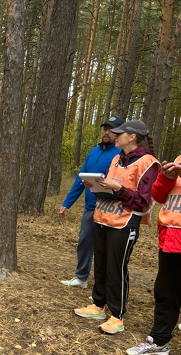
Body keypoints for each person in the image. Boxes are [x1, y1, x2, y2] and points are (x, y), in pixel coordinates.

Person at [74, 120, 160, 334]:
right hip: (103, 217)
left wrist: (119, 189)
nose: (114, 135)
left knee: (116, 268)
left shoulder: (148, 163)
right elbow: (111, 186)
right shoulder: (116, 158)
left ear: (132, 137)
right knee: (101, 264)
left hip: (124, 222)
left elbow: (143, 200)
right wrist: (96, 185)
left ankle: (117, 316)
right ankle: (98, 305)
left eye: (119, 133)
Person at [60, 117, 124, 289]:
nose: (106, 132)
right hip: (90, 207)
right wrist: (67, 202)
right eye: (105, 129)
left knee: (106, 248)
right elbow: (80, 179)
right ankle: (81, 278)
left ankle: (104, 287)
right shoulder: (94, 152)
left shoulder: (120, 155)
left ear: (119, 133)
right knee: (85, 242)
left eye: (111, 130)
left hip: (109, 208)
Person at [126, 157, 181, 355]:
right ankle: (159, 342)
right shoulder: (179, 160)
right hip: (172, 237)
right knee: (165, 291)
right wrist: (166, 177)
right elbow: (158, 196)